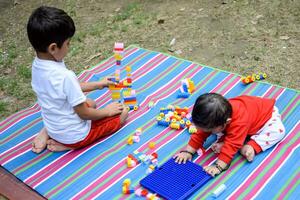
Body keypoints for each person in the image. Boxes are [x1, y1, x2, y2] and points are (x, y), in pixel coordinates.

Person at [27, 6, 128, 153]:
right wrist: (107, 111)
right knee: (123, 112)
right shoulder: (65, 76)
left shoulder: (37, 66)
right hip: (75, 135)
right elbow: (84, 114)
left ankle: (48, 131)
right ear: (53, 48)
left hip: (54, 124)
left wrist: (98, 84)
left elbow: (66, 89)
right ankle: (71, 144)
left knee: (91, 103)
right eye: (68, 43)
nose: (69, 46)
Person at [174, 93, 285, 177]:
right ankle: (228, 139)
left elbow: (232, 145)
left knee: (278, 131)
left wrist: (218, 166)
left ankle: (252, 145)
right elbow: (201, 132)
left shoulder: (239, 122)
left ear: (226, 122)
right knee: (218, 134)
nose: (203, 131)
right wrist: (188, 152)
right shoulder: (215, 115)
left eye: (209, 130)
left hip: (264, 119)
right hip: (238, 124)